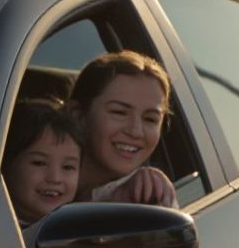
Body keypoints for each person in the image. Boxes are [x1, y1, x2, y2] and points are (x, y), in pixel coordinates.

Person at [68, 51, 181, 206]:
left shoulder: (152, 195)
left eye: (150, 119)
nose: (135, 131)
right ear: (78, 115)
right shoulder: (33, 182)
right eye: (119, 112)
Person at [0, 100, 84, 234]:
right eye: (39, 163)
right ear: (6, 165)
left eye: (68, 167)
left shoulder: (77, 234)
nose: (55, 178)